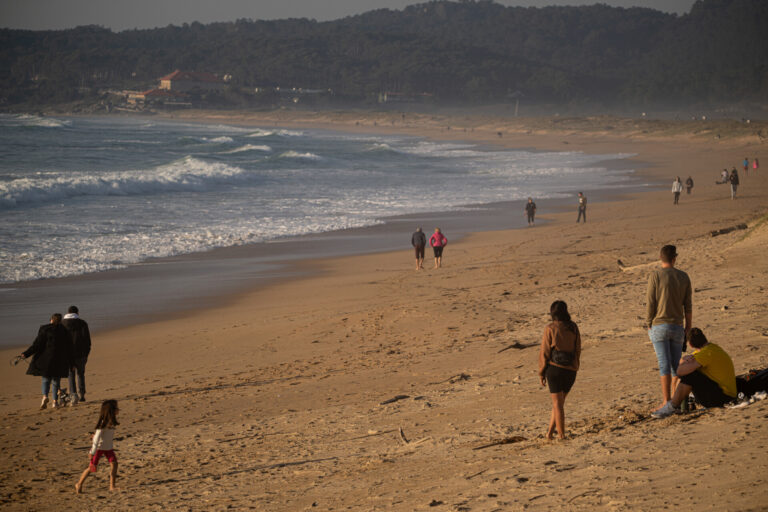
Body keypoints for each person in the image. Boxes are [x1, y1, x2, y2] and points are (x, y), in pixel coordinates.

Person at [646, 245, 692, 412]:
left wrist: (648, 322)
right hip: (678, 326)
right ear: (674, 259)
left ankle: (667, 401)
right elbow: (688, 305)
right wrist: (688, 326)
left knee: (663, 364)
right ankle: (677, 401)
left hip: (659, 326)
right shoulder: (684, 276)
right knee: (675, 366)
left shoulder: (656, 275)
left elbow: (651, 302)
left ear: (661, 258)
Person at [652, 328, 736, 418]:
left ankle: (672, 406)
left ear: (690, 344)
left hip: (724, 398)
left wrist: (683, 361)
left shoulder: (706, 354)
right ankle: (677, 405)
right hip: (725, 393)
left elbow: (680, 372)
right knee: (689, 371)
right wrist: (683, 360)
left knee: (689, 375)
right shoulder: (711, 349)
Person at [539, 301, 581, 440]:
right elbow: (577, 348)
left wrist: (541, 372)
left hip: (555, 370)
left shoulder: (550, 328)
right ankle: (550, 433)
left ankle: (561, 435)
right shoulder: (573, 327)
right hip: (570, 370)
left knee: (557, 404)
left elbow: (544, 352)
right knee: (559, 403)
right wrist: (575, 366)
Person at [19, 313, 73, 410]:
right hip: (60, 360)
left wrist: (26, 354)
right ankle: (55, 402)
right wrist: (72, 362)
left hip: (46, 359)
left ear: (51, 320)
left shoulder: (45, 329)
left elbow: (37, 345)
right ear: (60, 321)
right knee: (56, 381)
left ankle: (45, 397)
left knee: (46, 380)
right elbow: (69, 347)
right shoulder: (64, 331)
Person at [76, 400, 120, 493]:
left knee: (114, 464)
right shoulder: (103, 424)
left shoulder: (111, 422)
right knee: (92, 468)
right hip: (98, 449)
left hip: (109, 448)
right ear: (111, 411)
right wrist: (92, 452)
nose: (118, 410)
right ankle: (79, 483)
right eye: (116, 408)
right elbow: (96, 438)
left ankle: (112, 486)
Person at [63, 305, 91, 405]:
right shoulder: (82, 323)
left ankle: (73, 394)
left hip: (67, 354)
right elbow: (87, 340)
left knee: (71, 374)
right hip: (81, 354)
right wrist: (86, 353)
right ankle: (82, 394)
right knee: (81, 374)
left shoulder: (62, 324)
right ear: (77, 313)